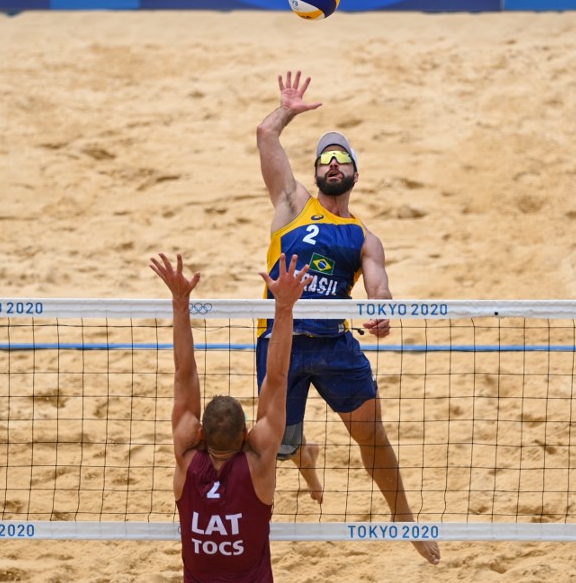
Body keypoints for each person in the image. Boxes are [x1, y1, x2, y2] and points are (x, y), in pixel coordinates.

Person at [253, 70, 440, 565]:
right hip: (281, 340)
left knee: (371, 435)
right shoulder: (291, 203)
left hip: (335, 344)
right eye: (324, 159)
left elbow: (379, 288)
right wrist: (288, 110)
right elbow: (265, 135)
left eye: (342, 159)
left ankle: (404, 519)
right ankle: (300, 456)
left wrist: (381, 314)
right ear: (315, 173)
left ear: (355, 173)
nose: (333, 163)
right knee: (274, 448)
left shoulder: (364, 238)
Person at [151, 251, 311, 582]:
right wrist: (284, 308)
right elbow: (278, 378)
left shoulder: (187, 457)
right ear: (246, 435)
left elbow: (184, 373)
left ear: (201, 435)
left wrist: (180, 302)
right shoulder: (258, 463)